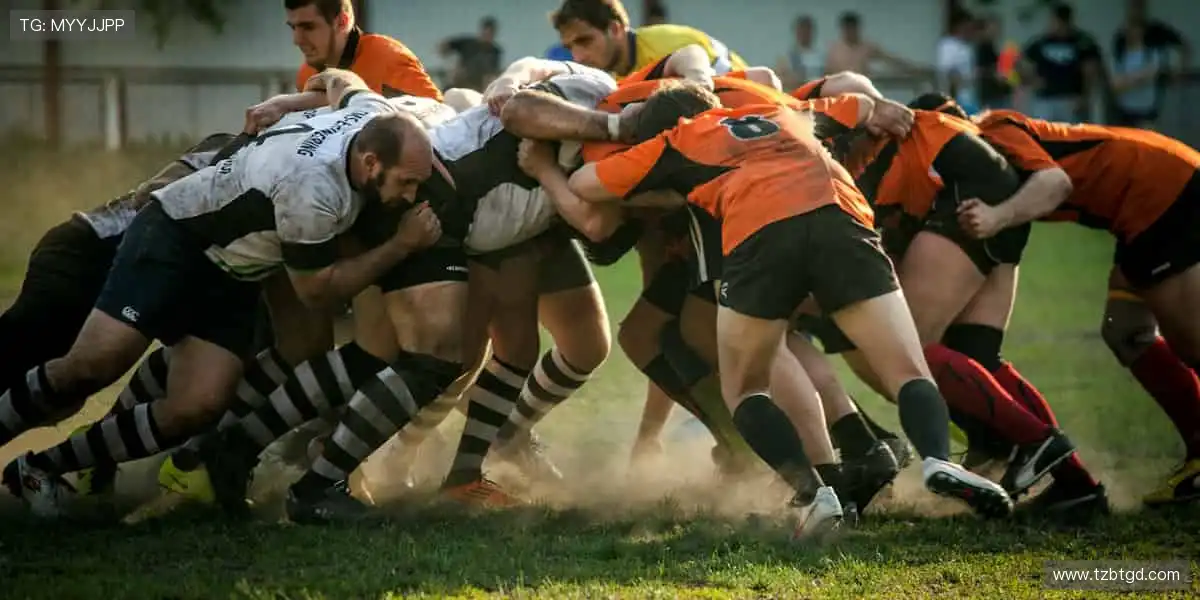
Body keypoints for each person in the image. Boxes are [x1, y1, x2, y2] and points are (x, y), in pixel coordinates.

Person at [567, 81, 1017, 533]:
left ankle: (813, 492)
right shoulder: (781, 109)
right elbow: (858, 107)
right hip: (840, 220)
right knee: (908, 371)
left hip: (760, 236)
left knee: (746, 390)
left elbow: (585, 184)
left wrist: (669, 186)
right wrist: (877, 109)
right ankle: (938, 459)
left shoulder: (676, 139)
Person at [2, 69, 445, 518]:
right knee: (94, 364)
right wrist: (400, 246)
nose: (411, 196)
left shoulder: (372, 110)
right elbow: (316, 292)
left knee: (197, 405)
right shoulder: (312, 189)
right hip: (177, 236)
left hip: (232, 270)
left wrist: (285, 103)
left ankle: (39, 466)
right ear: (370, 163)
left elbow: (340, 78)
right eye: (405, 183)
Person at [956, 107, 1200, 507]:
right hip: (1145, 202)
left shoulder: (992, 130)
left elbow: (1056, 182)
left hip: (1161, 193)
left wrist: (998, 216)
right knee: (1123, 330)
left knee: (1192, 344)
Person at [550, 0, 746, 79]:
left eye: (585, 41)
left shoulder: (670, 45)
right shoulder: (611, 77)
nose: (578, 57)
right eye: (570, 47)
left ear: (615, 29)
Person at [289, 0, 441, 100]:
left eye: (309, 27)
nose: (297, 40)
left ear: (342, 22)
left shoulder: (388, 58)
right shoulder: (306, 74)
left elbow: (439, 117)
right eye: (293, 27)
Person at [1019, 3, 1101, 123]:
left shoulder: (1082, 42)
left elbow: (1090, 72)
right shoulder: (1041, 42)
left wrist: (1084, 97)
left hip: (1071, 99)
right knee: (1043, 137)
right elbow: (1023, 62)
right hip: (1045, 99)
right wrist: (1032, 81)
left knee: (1073, 137)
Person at [825, 12, 922, 77]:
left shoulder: (866, 47)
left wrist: (913, 68)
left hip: (863, 92)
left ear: (858, 29)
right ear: (843, 30)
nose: (850, 32)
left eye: (853, 29)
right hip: (840, 94)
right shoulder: (834, 50)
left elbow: (889, 59)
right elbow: (826, 74)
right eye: (847, 29)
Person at [439, 17, 504, 92]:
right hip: (461, 80)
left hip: (478, 86)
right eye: (486, 32)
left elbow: (492, 74)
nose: (488, 36)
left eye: (490, 33)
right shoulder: (468, 43)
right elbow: (444, 46)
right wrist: (450, 65)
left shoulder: (495, 51)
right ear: (482, 31)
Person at [778, 16, 824, 91]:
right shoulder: (788, 57)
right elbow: (783, 79)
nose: (805, 33)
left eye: (807, 30)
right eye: (802, 30)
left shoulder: (821, 56)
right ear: (796, 32)